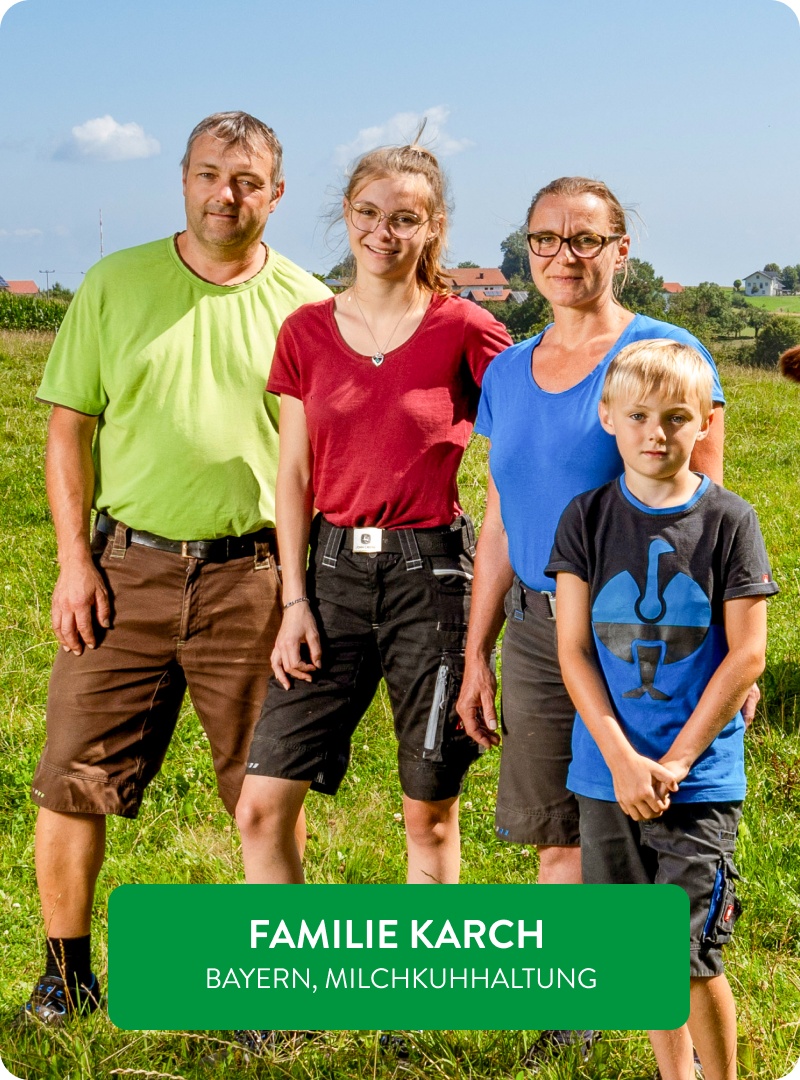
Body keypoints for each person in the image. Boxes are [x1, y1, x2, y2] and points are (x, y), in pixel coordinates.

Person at [23, 111, 330, 1023]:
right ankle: (65, 976)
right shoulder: (115, 285)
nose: (223, 195)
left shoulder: (309, 309)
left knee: (266, 790)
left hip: (255, 579)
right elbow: (68, 431)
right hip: (126, 573)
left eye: (244, 181)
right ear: (184, 180)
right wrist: (74, 563)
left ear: (275, 194)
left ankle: (277, 990)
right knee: (72, 778)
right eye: (206, 175)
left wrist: (302, 592)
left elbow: (316, 464)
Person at [455, 176, 725, 1070]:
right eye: (544, 240)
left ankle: (679, 986)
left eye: (583, 240)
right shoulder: (507, 369)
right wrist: (477, 651)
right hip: (540, 625)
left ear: (620, 250)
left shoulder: (666, 351)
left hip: (643, 632)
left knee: (648, 814)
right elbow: (500, 515)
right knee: (555, 828)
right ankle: (576, 1005)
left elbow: (709, 512)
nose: (561, 257)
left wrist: (731, 656)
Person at [235, 135, 512, 888]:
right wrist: (293, 601)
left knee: (429, 811)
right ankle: (286, 996)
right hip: (327, 578)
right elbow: (291, 475)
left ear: (433, 228)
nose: (382, 233)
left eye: (404, 219)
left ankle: (428, 986)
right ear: (346, 215)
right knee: (261, 805)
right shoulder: (306, 332)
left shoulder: (466, 328)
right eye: (367, 213)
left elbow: (532, 425)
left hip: (433, 575)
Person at [548, 339, 777, 1080]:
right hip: (608, 774)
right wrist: (621, 759)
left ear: (704, 422)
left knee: (689, 956)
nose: (657, 433)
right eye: (639, 415)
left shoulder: (729, 521)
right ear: (608, 418)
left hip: (697, 780)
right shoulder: (585, 518)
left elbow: (746, 654)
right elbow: (574, 649)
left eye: (677, 417)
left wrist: (675, 761)